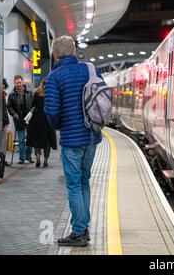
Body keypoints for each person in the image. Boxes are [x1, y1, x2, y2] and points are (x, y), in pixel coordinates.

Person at [45, 36, 102, 248]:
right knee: (84, 182)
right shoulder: (91, 70)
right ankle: (83, 227)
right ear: (74, 50)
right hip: (92, 137)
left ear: (55, 54)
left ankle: (78, 232)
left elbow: (52, 111)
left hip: (71, 139)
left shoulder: (55, 77)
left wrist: (59, 125)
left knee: (73, 186)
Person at [26, 79, 57, 168]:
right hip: (47, 119)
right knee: (47, 141)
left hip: (36, 119)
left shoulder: (36, 93)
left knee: (37, 140)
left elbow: (32, 105)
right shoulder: (51, 94)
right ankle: (45, 161)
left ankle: (38, 158)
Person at [7, 76, 34, 164]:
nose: (18, 84)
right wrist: (14, 114)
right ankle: (22, 157)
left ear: (22, 82)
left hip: (29, 118)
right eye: (16, 83)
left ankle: (28, 156)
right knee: (21, 139)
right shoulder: (12, 95)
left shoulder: (29, 93)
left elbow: (34, 104)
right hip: (19, 119)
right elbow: (9, 106)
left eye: (19, 82)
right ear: (14, 84)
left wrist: (32, 113)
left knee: (30, 138)